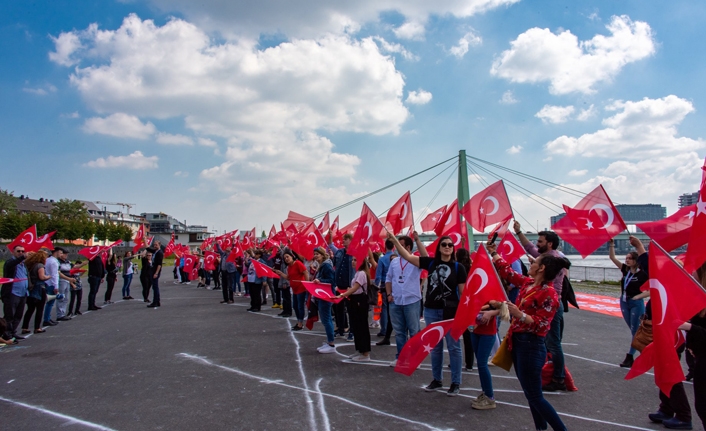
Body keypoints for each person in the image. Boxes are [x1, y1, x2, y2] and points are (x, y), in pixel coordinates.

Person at [488, 241, 568, 431]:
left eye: (534, 262)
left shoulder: (549, 293)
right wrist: (494, 253)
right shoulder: (528, 283)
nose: (530, 264)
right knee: (531, 393)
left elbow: (542, 324)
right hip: (519, 343)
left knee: (534, 396)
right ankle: (541, 428)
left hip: (531, 346)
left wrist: (520, 315)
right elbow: (508, 273)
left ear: (541, 268)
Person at [388, 232, 466, 396]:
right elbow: (408, 256)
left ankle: (455, 383)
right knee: (435, 347)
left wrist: (463, 314)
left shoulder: (459, 268)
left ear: (453, 249)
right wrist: (394, 240)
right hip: (431, 310)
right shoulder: (431, 263)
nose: (446, 247)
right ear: (439, 248)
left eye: (450, 245)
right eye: (443, 244)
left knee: (454, 347)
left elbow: (463, 294)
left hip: (451, 312)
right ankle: (437, 380)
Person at [514, 221, 569, 392]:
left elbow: (533, 251)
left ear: (549, 243)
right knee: (548, 342)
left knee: (553, 343)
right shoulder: (547, 257)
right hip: (548, 301)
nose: (536, 245)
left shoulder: (555, 259)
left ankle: (558, 378)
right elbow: (529, 247)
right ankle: (548, 373)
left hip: (550, 304)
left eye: (540, 242)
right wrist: (518, 232)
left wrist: (538, 267)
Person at [384, 233, 425, 368]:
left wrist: (418, 240)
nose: (397, 248)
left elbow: (426, 258)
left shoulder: (415, 260)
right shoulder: (394, 262)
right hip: (396, 301)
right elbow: (388, 279)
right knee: (400, 332)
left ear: (408, 247)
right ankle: (401, 357)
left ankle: (414, 358)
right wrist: (389, 294)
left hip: (411, 300)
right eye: (396, 245)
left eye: (400, 245)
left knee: (414, 331)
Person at [608, 239, 649, 368]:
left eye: (630, 258)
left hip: (636, 303)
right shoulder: (625, 270)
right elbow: (612, 258)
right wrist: (612, 244)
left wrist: (639, 296)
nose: (627, 260)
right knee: (633, 329)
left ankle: (630, 357)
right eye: (626, 258)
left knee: (635, 330)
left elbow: (651, 290)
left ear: (636, 260)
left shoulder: (643, 274)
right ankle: (645, 350)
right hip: (624, 301)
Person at [337, 255, 372, 362]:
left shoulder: (361, 273)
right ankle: (359, 349)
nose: (353, 262)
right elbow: (353, 288)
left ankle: (365, 353)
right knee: (356, 326)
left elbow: (356, 288)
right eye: (352, 260)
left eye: (355, 260)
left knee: (362, 326)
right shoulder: (357, 273)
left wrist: (342, 295)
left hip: (360, 301)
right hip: (354, 300)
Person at [274, 250, 308, 330]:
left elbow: (305, 272)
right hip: (294, 289)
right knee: (295, 306)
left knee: (300, 306)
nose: (286, 258)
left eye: (287, 257)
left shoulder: (298, 263)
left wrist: (307, 284)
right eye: (285, 257)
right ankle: (299, 322)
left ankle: (300, 324)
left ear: (292, 256)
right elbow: (289, 278)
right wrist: (281, 273)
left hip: (301, 288)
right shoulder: (289, 267)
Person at [329, 233, 354, 338]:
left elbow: (356, 270)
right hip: (339, 286)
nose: (343, 241)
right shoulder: (339, 252)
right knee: (339, 309)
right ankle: (340, 329)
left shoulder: (355, 253)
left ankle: (352, 331)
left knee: (351, 310)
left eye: (345, 239)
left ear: (350, 240)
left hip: (349, 287)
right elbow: (334, 265)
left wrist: (352, 285)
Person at [312, 247, 337, 353]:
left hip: (326, 295)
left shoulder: (326, 265)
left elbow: (332, 280)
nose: (315, 256)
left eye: (317, 254)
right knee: (325, 319)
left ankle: (331, 344)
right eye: (314, 254)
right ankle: (329, 341)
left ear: (322, 255)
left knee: (326, 319)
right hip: (323, 294)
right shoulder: (322, 265)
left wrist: (320, 280)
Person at [2, 245, 28, 340]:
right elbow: (11, 265)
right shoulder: (10, 262)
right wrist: (23, 257)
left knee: (18, 315)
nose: (21, 253)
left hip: (22, 293)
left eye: (22, 251)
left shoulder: (23, 264)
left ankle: (13, 332)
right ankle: (6, 333)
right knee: (9, 315)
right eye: (18, 251)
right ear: (13, 252)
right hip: (12, 292)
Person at [21, 251, 51, 334]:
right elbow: (41, 277)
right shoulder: (40, 266)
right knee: (40, 308)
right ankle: (37, 327)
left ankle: (25, 327)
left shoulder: (29, 266)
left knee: (30, 309)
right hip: (39, 288)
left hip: (31, 288)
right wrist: (48, 276)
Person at [456, 248, 475, 371]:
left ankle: (456, 361)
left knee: (455, 335)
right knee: (468, 336)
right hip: (469, 303)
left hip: (458, 304)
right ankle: (469, 363)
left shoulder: (457, 268)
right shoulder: (472, 268)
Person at [375, 240, 395, 345]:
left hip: (384, 285)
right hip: (395, 286)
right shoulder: (396, 258)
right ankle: (393, 329)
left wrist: (376, 287)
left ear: (385, 246)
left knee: (384, 309)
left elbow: (378, 275)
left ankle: (384, 330)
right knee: (394, 309)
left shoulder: (382, 259)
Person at [42, 247, 63, 326]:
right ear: (56, 252)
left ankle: (48, 318)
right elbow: (54, 275)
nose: (61, 254)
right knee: (50, 302)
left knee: (50, 303)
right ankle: (46, 319)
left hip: (49, 282)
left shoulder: (49, 260)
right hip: (51, 283)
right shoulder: (53, 262)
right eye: (60, 253)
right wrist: (56, 286)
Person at [148, 241, 163, 308]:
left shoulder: (159, 253)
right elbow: (148, 248)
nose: (154, 246)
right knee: (155, 287)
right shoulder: (155, 251)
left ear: (159, 245)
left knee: (155, 287)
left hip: (155, 271)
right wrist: (145, 240)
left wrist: (156, 273)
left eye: (156, 245)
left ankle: (155, 302)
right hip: (153, 270)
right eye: (154, 245)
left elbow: (159, 264)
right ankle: (158, 301)